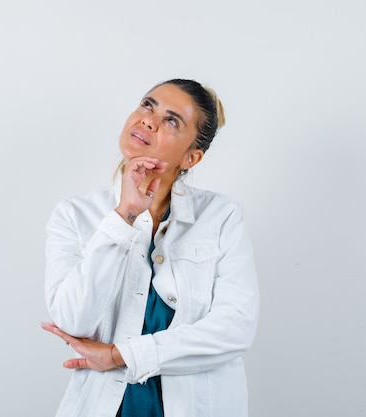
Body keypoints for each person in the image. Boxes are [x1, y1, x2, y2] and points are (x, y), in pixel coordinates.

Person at [41, 78, 259, 417]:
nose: (148, 120)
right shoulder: (74, 216)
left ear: (191, 157)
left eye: (171, 120)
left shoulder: (222, 216)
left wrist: (122, 355)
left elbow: (235, 328)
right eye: (147, 104)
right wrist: (124, 216)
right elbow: (73, 320)